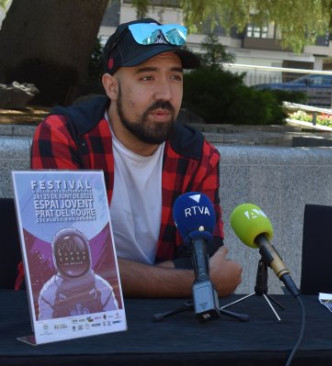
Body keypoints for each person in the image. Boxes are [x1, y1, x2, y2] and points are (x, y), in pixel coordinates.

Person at [23, 18, 242, 298]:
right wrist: (195, 283)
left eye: (175, 77)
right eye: (146, 77)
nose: (165, 93)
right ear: (111, 87)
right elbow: (61, 263)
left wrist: (119, 277)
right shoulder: (65, 136)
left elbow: (203, 252)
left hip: (160, 317)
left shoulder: (199, 155)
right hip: (65, 315)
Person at [38, 228, 119, 320]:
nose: (73, 260)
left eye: (77, 254)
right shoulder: (49, 294)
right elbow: (45, 325)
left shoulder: (103, 288)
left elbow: (114, 319)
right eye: (67, 256)